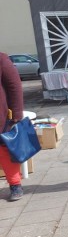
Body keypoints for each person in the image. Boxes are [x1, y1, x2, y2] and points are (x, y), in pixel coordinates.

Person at [0, 52, 25, 201]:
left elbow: (14, 86)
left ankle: (15, 184)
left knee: (5, 152)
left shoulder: (1, 59)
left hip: (2, 119)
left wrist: (16, 114)